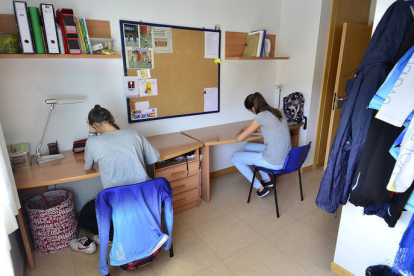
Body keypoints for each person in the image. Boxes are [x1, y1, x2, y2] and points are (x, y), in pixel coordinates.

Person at [84, 105, 160, 189]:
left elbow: (87, 166)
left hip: (117, 199)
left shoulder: (92, 143)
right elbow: (155, 158)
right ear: (113, 118)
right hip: (145, 193)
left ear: (94, 126)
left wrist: (91, 132)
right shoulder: (134, 134)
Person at [231, 92, 291, 198]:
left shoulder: (260, 116)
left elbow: (239, 138)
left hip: (274, 161)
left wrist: (241, 130)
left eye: (249, 110)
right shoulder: (278, 111)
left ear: (253, 108)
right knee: (247, 147)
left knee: (235, 157)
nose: (251, 112)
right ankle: (267, 180)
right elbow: (271, 127)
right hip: (287, 158)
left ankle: (260, 188)